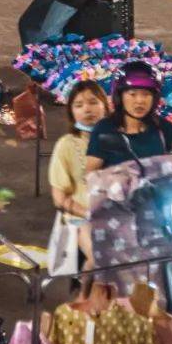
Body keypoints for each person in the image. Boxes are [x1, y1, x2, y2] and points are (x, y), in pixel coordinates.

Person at [46, 80, 111, 277]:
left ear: (105, 106)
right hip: (83, 218)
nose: (87, 109)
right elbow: (60, 198)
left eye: (93, 102)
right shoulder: (66, 145)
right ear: (71, 112)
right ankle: (87, 299)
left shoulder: (119, 139)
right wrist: (88, 212)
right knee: (99, 257)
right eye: (79, 105)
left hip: (119, 215)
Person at [86, 60, 172, 173]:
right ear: (120, 97)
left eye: (146, 94)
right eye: (132, 94)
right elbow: (89, 175)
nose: (140, 101)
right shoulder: (105, 129)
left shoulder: (161, 126)